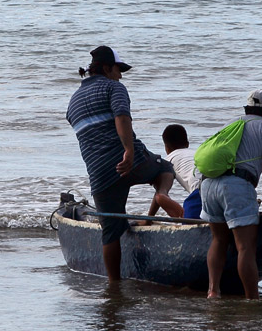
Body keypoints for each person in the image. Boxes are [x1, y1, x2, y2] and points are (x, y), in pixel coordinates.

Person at [65, 45, 184, 281]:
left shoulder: (73, 101)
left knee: (110, 230)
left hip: (99, 173)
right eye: (118, 70)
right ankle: (161, 195)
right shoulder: (114, 87)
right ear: (107, 68)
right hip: (130, 161)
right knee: (164, 167)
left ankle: (113, 284)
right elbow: (121, 117)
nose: (120, 75)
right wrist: (128, 151)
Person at [200, 89, 262, 299]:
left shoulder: (231, 125)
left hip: (208, 185)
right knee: (245, 247)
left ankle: (213, 292)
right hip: (236, 185)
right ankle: (252, 299)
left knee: (218, 240)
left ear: (247, 109)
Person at [157, 124, 202, 219]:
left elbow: (161, 190)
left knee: (191, 223)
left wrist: (149, 219)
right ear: (187, 144)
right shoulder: (196, 153)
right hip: (223, 185)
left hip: (200, 192)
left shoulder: (168, 161)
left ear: (166, 148)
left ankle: (183, 216)